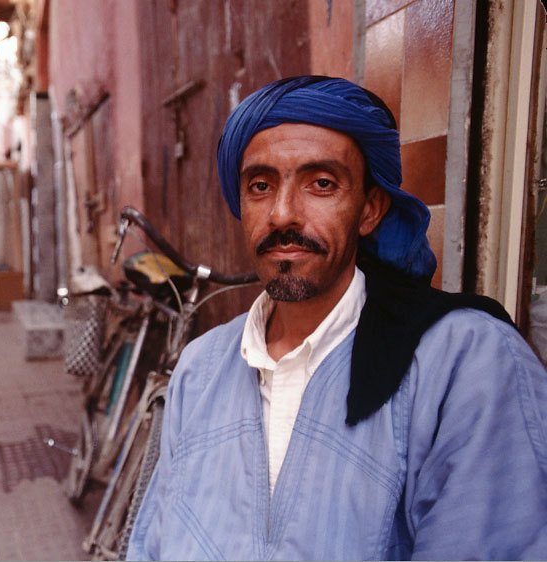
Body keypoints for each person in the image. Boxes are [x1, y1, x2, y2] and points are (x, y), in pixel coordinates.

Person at [126, 76, 547, 560]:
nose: (283, 214)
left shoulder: (467, 364)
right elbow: (152, 545)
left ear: (369, 209)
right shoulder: (200, 370)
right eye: (260, 186)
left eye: (321, 184)